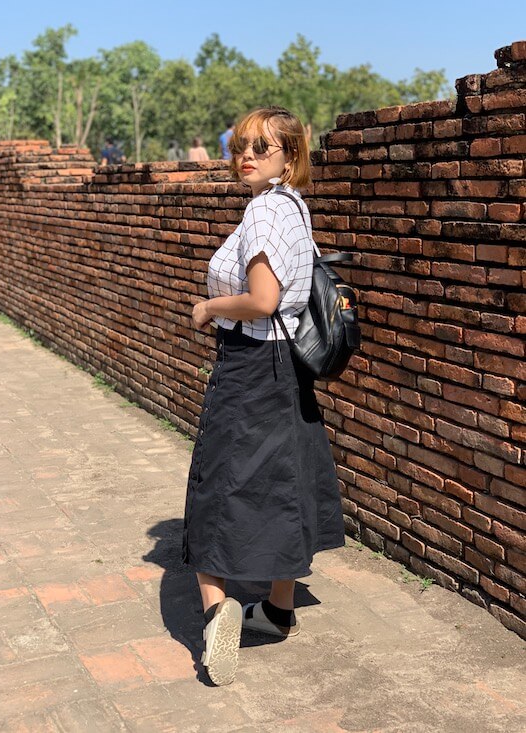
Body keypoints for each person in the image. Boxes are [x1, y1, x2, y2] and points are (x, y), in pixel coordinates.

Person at [182, 106, 347, 686]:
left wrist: (207, 307)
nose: (245, 157)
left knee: (216, 484)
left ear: (290, 156)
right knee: (284, 480)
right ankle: (277, 610)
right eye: (239, 147)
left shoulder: (263, 212)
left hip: (251, 364)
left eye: (262, 147)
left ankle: (216, 609)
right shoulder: (296, 209)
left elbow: (261, 299)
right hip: (286, 368)